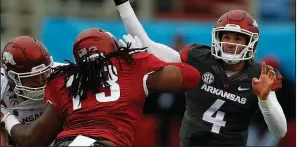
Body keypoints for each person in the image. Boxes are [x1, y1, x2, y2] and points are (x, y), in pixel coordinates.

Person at [102, 0, 287, 146]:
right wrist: (123, 4)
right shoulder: (199, 57)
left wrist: (264, 99)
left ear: (251, 43)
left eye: (238, 39)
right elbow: (150, 47)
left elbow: (280, 131)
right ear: (217, 38)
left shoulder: (259, 76)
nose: (231, 43)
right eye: (227, 37)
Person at [1, 28, 200, 146]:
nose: (41, 80)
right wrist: (149, 55)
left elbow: (31, 139)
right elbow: (192, 76)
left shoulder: (64, 78)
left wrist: (5, 116)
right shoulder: (132, 65)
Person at [0, 36, 64, 146]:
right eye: (32, 77)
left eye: (44, 73)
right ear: (11, 76)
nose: (41, 81)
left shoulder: (63, 75)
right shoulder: (3, 83)